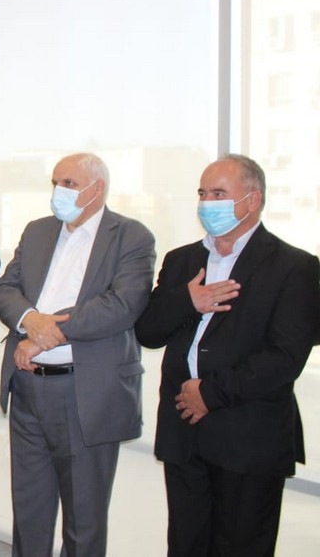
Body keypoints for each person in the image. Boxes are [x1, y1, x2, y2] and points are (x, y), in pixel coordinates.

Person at [135, 154, 320, 556]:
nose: (207, 203)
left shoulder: (294, 267)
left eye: (219, 194)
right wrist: (188, 302)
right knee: (185, 545)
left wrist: (209, 393)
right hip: (184, 434)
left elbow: (285, 357)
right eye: (203, 193)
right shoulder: (182, 260)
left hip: (248, 438)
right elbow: (148, 332)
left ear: (252, 200)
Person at [0, 152, 156, 557]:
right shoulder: (38, 231)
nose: (58, 191)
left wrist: (48, 335)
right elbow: (5, 289)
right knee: (29, 512)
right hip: (28, 388)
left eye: (68, 183)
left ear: (97, 189)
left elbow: (122, 305)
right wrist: (31, 320)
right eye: (55, 182)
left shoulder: (131, 236)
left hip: (85, 394)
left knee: (84, 520)